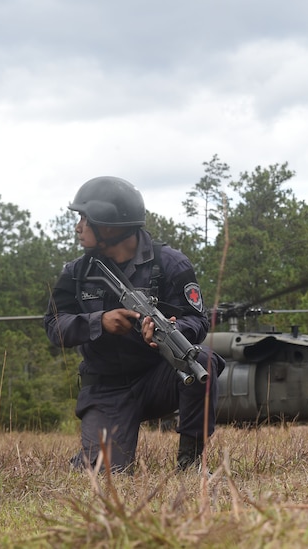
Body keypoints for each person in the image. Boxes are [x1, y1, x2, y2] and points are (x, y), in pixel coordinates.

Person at [44, 176, 222, 474]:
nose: (78, 227)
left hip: (159, 377)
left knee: (200, 362)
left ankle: (190, 464)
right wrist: (99, 322)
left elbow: (197, 319)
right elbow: (54, 326)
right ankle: (93, 451)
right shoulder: (75, 273)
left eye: (84, 219)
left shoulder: (170, 265)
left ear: (109, 225)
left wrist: (177, 330)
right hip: (106, 386)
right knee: (104, 473)